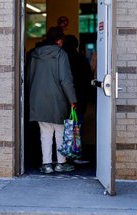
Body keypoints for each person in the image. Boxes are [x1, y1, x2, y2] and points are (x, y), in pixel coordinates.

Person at [27, 27, 77, 174]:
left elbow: (29, 77)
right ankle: (61, 163)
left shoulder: (34, 54)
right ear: (59, 40)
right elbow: (65, 80)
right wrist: (73, 99)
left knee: (45, 132)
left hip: (38, 99)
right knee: (60, 131)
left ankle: (47, 164)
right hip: (58, 99)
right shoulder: (61, 54)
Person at [63, 35, 93, 164]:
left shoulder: (61, 59)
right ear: (76, 45)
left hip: (62, 99)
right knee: (75, 128)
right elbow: (87, 80)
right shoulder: (82, 60)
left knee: (61, 128)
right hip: (78, 100)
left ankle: (61, 156)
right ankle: (74, 155)